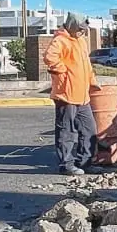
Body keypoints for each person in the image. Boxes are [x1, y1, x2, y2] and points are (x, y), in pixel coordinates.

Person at [46, 12, 96, 175]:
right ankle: (66, 165)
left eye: (84, 29)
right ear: (73, 26)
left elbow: (87, 65)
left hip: (82, 95)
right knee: (67, 131)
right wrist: (64, 72)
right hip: (66, 94)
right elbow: (50, 57)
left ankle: (85, 163)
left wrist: (92, 81)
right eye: (80, 29)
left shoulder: (81, 41)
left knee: (89, 130)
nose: (83, 32)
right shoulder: (60, 40)